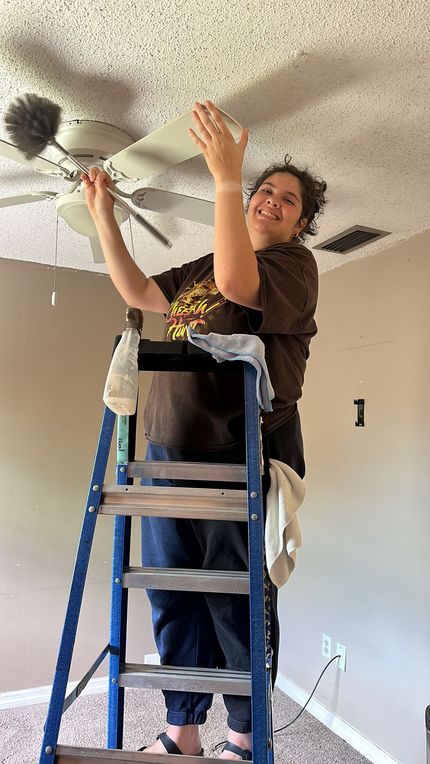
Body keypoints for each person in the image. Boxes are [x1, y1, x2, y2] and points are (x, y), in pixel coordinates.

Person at [82, 100, 327, 761]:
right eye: (263, 191)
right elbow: (138, 293)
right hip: (162, 459)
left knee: (233, 605)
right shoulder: (203, 268)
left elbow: (237, 281)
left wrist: (226, 175)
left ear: (302, 222)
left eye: (287, 200)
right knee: (173, 598)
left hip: (234, 462)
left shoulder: (292, 268)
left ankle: (244, 739)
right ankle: (181, 729)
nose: (271, 202)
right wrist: (104, 216)